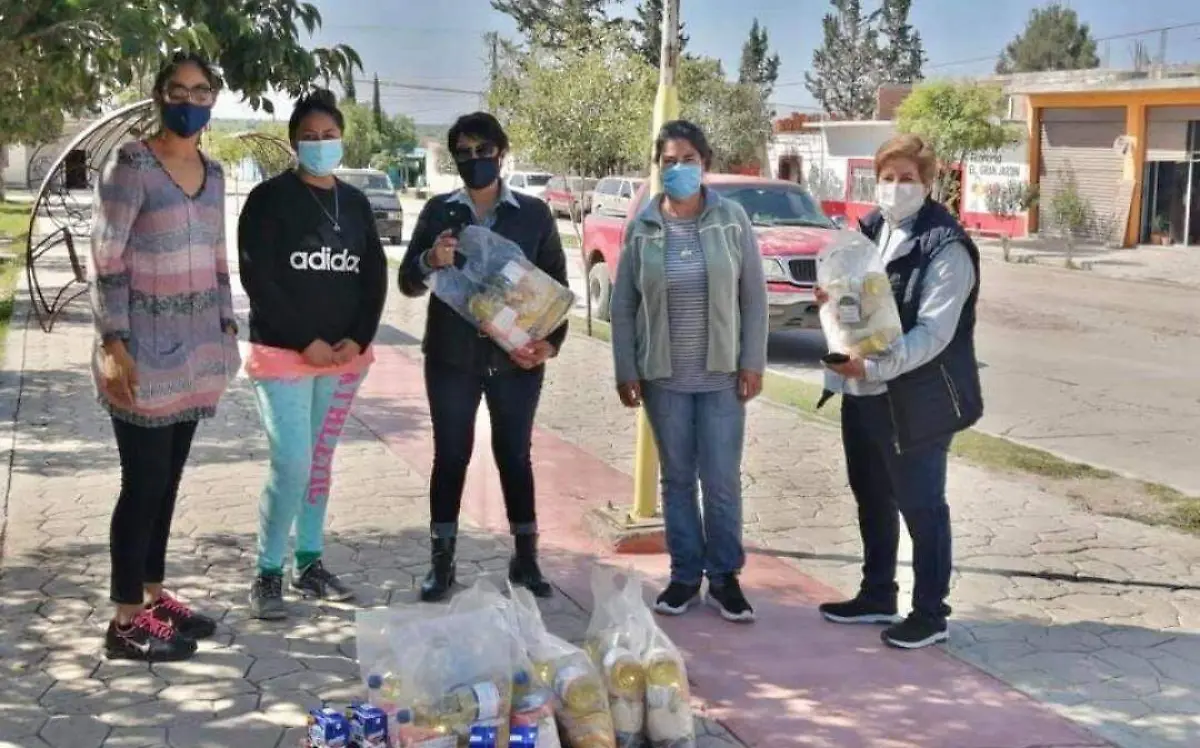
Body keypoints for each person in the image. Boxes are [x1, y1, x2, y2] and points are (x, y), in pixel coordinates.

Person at [90, 51, 239, 661]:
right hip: (141, 355)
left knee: (168, 481)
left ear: (213, 99)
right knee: (143, 484)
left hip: (195, 354)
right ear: (159, 95)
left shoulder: (215, 172)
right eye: (178, 90)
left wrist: (227, 329)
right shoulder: (131, 165)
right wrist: (113, 342)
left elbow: (218, 257)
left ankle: (153, 595)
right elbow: (106, 258)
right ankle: (125, 621)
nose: (189, 101)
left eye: (201, 91)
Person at [817, 133, 983, 649]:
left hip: (917, 398)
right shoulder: (869, 230)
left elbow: (933, 333)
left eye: (906, 178)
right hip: (863, 391)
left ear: (928, 182)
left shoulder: (946, 246)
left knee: (921, 505)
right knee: (871, 495)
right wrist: (832, 301)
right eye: (887, 178)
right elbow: (859, 300)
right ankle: (877, 594)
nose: (894, 187)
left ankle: (930, 613)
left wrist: (873, 366)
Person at [398, 112, 568, 603]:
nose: (475, 160)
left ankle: (526, 558)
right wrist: (430, 259)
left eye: (484, 150)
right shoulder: (438, 212)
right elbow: (407, 282)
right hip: (451, 358)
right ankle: (442, 562)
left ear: (502, 153)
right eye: (465, 153)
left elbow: (557, 291)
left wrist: (550, 345)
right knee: (451, 454)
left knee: (514, 454)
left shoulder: (533, 215)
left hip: (515, 360)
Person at [609, 120, 768, 623]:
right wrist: (626, 367)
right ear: (658, 167)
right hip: (663, 378)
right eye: (669, 161)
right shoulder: (642, 227)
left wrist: (752, 360)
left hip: (722, 377)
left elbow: (753, 298)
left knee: (720, 479)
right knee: (677, 480)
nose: (678, 169)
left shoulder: (731, 220)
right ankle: (683, 576)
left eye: (688, 160)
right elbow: (623, 305)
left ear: (705, 164)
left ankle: (724, 578)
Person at [238, 89, 388, 620]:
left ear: (341, 140)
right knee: (292, 463)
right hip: (283, 355)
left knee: (319, 463)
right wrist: (306, 340)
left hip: (344, 359)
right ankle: (267, 572)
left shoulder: (356, 203)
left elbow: (374, 274)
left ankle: (310, 562)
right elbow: (258, 276)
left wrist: (359, 337)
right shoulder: (268, 199)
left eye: (329, 136)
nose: (321, 145)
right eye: (310, 137)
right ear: (293, 142)